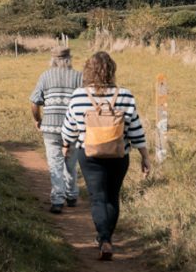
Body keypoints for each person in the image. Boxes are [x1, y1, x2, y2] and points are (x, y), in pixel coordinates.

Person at [58, 50, 150, 259]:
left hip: (89, 155)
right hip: (119, 155)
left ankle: (104, 238)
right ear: (112, 71)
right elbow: (135, 129)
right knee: (112, 196)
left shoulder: (79, 95)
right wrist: (145, 156)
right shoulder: (125, 95)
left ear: (88, 71)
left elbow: (69, 128)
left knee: (97, 197)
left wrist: (66, 145)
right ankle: (107, 237)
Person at [29, 45, 82, 213]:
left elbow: (34, 101)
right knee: (71, 162)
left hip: (50, 127)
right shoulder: (78, 77)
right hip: (73, 128)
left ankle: (57, 200)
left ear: (52, 60)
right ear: (69, 59)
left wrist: (37, 119)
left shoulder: (45, 76)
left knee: (55, 163)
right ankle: (72, 195)